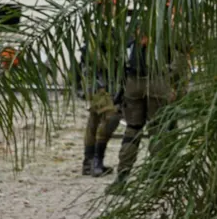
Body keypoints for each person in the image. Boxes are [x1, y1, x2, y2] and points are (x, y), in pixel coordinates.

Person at [108, 30, 189, 194]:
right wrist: (170, 82)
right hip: (157, 83)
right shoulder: (164, 29)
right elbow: (179, 63)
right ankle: (157, 179)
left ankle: (121, 178)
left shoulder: (130, 33)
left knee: (132, 129)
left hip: (133, 83)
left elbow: (119, 62)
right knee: (157, 129)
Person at [79, 41, 123, 178]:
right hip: (98, 82)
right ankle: (95, 161)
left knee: (95, 119)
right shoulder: (98, 28)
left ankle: (90, 162)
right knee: (111, 117)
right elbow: (99, 60)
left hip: (101, 82)